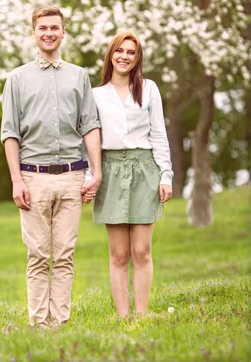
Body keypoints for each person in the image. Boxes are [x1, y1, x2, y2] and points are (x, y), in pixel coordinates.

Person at [0, 5, 102, 329]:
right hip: (33, 177)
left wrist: (95, 172)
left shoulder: (79, 76)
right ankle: (38, 324)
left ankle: (59, 323)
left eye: (54, 28)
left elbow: (90, 126)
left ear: (63, 32)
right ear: (33, 33)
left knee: (65, 255)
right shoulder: (17, 79)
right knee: (38, 255)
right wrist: (17, 180)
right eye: (42, 28)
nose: (48, 33)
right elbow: (10, 132)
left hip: (73, 176)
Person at [90, 30, 173, 317]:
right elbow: (88, 140)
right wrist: (90, 175)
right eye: (119, 51)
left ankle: (142, 313)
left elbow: (159, 135)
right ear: (110, 55)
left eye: (131, 52)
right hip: (110, 171)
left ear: (137, 59)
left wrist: (165, 175)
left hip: (143, 169)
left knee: (141, 251)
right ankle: (123, 315)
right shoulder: (95, 96)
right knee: (119, 254)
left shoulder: (149, 89)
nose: (124, 56)